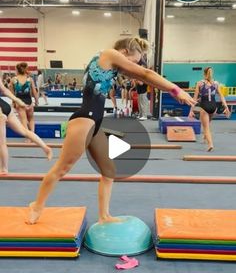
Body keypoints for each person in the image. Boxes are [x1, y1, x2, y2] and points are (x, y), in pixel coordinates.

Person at [28, 37, 195, 224]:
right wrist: (176, 90)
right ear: (124, 52)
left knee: (109, 171)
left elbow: (145, 77)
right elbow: (146, 73)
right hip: (84, 119)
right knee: (62, 168)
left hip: (96, 121)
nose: (133, 65)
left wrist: (168, 88)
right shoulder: (109, 54)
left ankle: (104, 216)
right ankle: (37, 206)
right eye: (134, 60)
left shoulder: (115, 65)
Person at [0, 76, 52, 174]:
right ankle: (45, 147)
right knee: (25, 131)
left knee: (2, 142)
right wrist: (17, 100)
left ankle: (4, 169)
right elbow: (4, 90)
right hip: (4, 106)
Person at [189, 67, 230, 151]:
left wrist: (191, 111)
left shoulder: (200, 83)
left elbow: (194, 98)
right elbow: (221, 96)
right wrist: (226, 107)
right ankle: (205, 137)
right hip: (213, 107)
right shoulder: (216, 83)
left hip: (204, 106)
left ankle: (210, 144)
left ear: (204, 74)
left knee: (206, 128)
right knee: (207, 123)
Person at [10, 62, 38, 134]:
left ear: (17, 70)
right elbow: (34, 92)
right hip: (29, 102)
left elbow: (12, 94)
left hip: (19, 102)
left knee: (24, 121)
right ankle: (33, 135)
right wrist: (36, 101)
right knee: (31, 119)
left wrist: (13, 102)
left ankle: (28, 137)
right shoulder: (30, 79)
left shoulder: (13, 80)